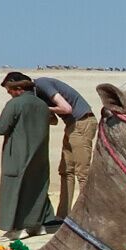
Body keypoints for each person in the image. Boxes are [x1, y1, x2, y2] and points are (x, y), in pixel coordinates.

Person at [18, 73, 97, 219]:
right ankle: (63, 215)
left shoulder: (41, 84)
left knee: (82, 172)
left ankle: (89, 214)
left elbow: (66, 109)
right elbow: (53, 121)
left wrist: (42, 107)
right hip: (71, 125)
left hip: (82, 122)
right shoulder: (36, 96)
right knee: (66, 170)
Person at [0, 72, 54, 240]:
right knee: (36, 189)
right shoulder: (42, 105)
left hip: (17, 155)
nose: (9, 93)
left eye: (9, 90)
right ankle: (37, 225)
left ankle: (16, 228)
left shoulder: (15, 104)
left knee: (14, 189)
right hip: (39, 155)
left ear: (18, 88)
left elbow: (1, 128)